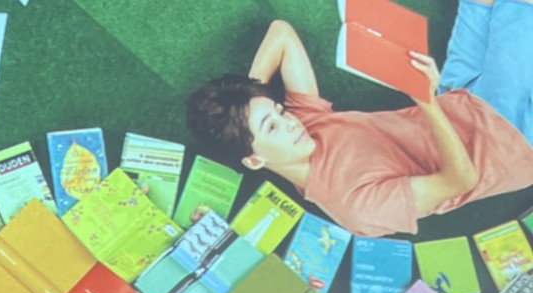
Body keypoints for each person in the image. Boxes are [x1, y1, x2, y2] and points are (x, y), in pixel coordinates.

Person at [185, 4, 533, 238]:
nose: (290, 122)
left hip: (457, 95)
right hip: (506, 139)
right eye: (271, 127)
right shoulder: (357, 206)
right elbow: (461, 180)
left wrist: (248, 97)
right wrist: (425, 101)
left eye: (279, 111)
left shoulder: (305, 127)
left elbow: (282, 34)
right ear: (254, 160)